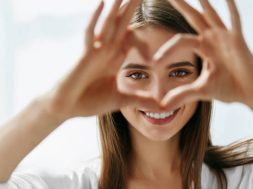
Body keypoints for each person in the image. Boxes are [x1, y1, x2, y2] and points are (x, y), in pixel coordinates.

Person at [0, 0, 253, 188]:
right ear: (112, 80)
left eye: (178, 73)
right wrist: (52, 108)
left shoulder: (241, 179)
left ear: (201, 75)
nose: (159, 94)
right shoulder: (76, 185)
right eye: (137, 75)